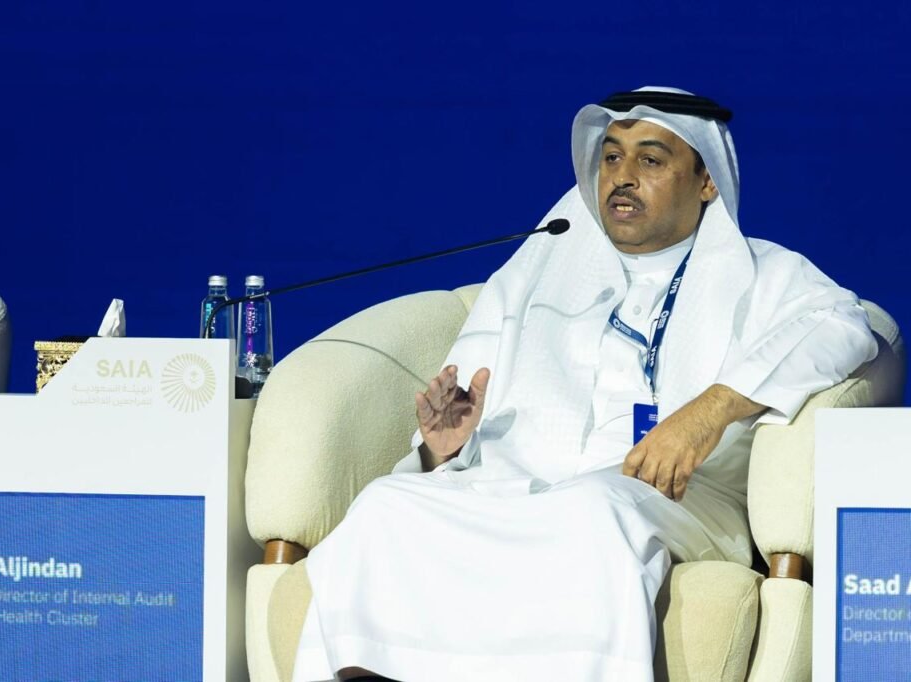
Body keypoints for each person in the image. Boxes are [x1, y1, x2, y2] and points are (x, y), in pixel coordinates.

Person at [290, 87, 879, 682]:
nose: (622, 177)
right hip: (512, 484)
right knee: (386, 505)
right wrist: (443, 448)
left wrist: (708, 412)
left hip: (665, 498)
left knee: (592, 510)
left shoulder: (763, 273)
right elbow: (464, 403)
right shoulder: (536, 268)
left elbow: (846, 327)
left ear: (707, 181)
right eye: (611, 157)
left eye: (650, 160)